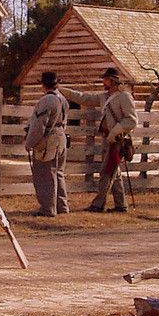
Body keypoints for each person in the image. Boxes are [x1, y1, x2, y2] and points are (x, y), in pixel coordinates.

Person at [59, 67, 137, 213]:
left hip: (117, 140)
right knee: (114, 172)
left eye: (105, 79)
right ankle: (121, 205)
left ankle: (98, 204)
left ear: (112, 81)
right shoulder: (104, 97)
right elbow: (84, 98)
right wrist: (63, 90)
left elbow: (131, 121)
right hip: (108, 139)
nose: (103, 81)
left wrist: (114, 133)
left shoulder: (125, 97)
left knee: (106, 172)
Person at [23, 71, 69, 217]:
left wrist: (30, 142)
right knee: (58, 173)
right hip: (61, 137)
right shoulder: (62, 99)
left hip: (49, 139)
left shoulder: (46, 101)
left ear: (43, 84)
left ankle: (47, 208)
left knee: (45, 174)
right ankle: (62, 206)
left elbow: (39, 125)